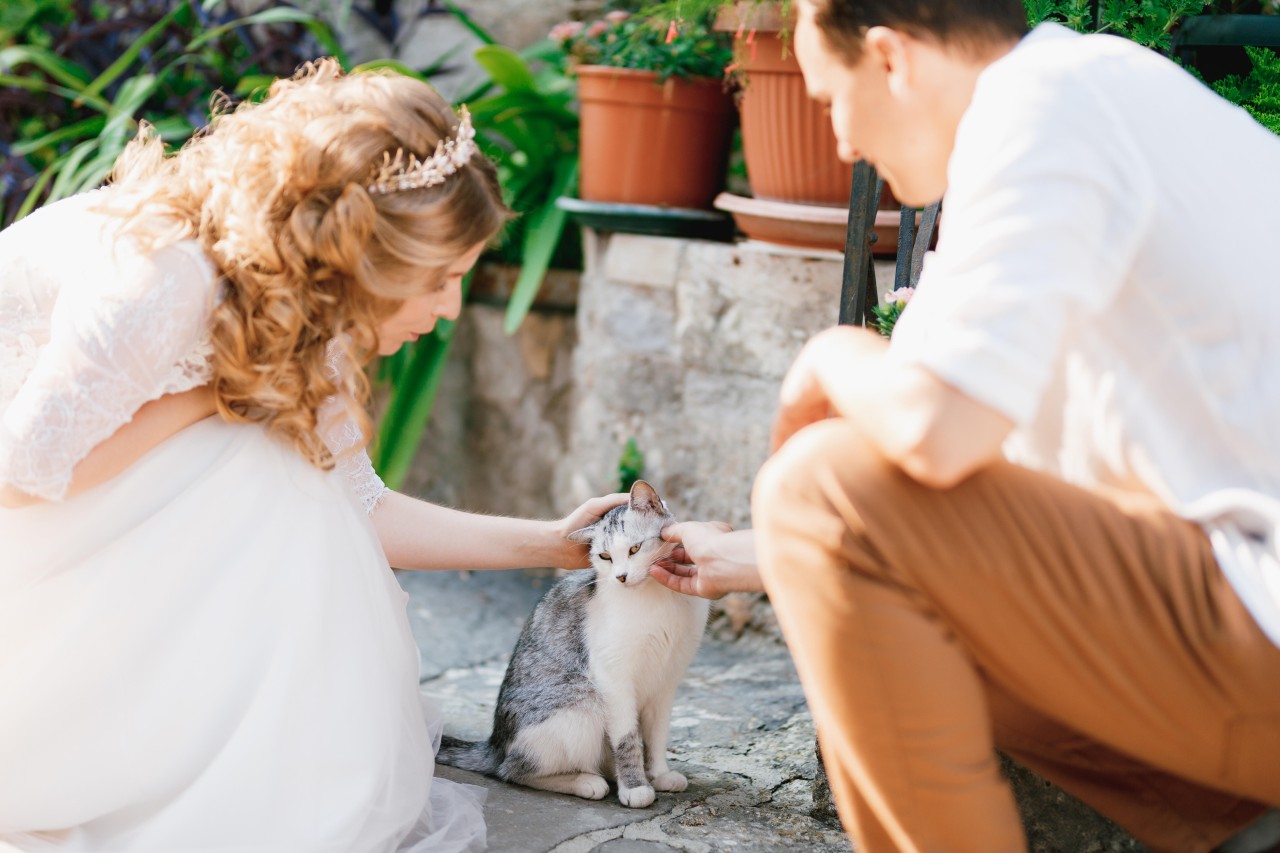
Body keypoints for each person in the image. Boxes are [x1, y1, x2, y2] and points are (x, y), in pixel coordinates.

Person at [652, 1, 1280, 851]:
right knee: (875, 568)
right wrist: (750, 558)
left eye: (831, 98)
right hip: (1237, 621)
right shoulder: (1078, 114)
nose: (838, 143)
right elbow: (976, 508)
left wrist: (829, 356)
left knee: (818, 488)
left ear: (891, 60)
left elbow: (932, 434)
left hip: (1255, 621)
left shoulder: (1047, 104)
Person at [0, 59, 624, 852]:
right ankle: (104, 750)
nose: (451, 307)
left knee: (285, 469)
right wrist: (221, 398)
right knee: (259, 460)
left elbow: (359, 505)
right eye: (441, 277)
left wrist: (552, 542)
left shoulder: (302, 309)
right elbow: (21, 472)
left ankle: (212, 737)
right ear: (366, 255)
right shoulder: (164, 276)